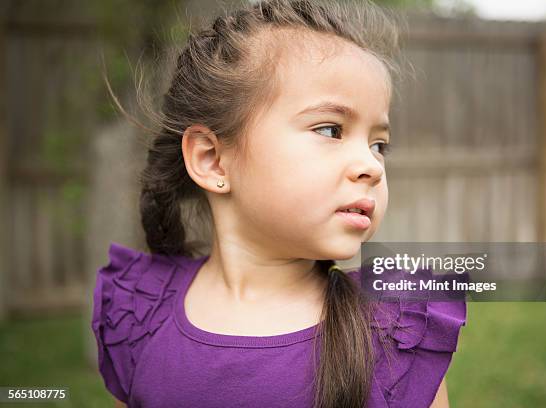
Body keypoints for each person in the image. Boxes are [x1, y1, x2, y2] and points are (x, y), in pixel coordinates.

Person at [90, 0, 467, 407]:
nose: (371, 165)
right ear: (212, 159)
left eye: (379, 145)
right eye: (330, 129)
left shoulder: (392, 330)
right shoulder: (141, 313)